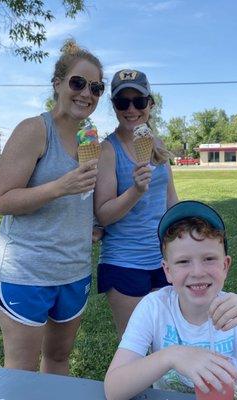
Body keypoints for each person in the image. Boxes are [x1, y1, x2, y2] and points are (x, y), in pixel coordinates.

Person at [0, 39, 105, 374]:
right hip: (26, 272)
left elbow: (84, 199)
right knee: (22, 370)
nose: (86, 93)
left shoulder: (90, 139)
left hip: (74, 270)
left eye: (95, 88)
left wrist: (95, 224)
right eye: (78, 83)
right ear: (58, 84)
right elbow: (4, 200)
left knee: (58, 359)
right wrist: (59, 187)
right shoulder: (34, 130)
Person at [104, 200, 237, 400]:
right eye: (183, 262)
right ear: (167, 270)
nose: (197, 272)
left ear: (225, 265)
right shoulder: (154, 308)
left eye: (209, 259)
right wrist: (172, 355)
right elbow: (113, 389)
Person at [94, 69, 179, 337]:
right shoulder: (108, 150)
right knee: (134, 343)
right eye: (123, 103)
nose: (131, 109)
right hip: (124, 262)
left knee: (163, 338)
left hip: (162, 260)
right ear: (114, 107)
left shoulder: (157, 144)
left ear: (150, 104)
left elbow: (170, 199)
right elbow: (103, 214)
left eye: (139, 102)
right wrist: (135, 190)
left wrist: (185, 242)